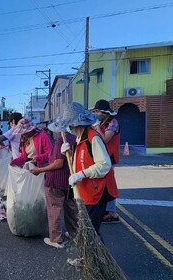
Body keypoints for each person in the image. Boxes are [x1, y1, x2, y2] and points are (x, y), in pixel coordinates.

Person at [58, 102, 119, 239]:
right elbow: (84, 158)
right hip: (87, 190)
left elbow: (104, 164)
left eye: (69, 124)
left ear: (74, 124)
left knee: (91, 232)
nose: (69, 128)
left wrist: (81, 174)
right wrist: (69, 151)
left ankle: (94, 260)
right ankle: (87, 259)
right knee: (86, 230)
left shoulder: (93, 137)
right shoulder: (79, 138)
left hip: (97, 191)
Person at [30, 122, 78, 248]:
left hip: (55, 181)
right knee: (71, 208)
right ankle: (74, 233)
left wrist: (39, 170)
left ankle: (56, 239)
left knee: (54, 209)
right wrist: (40, 158)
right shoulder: (75, 139)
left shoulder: (61, 141)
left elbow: (58, 163)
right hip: (70, 180)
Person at [91, 99, 121, 223]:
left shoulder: (113, 123)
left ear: (104, 112)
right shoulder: (103, 122)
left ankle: (112, 212)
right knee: (103, 184)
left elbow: (105, 139)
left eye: (98, 111)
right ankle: (107, 209)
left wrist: (97, 126)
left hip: (109, 158)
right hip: (102, 157)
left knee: (109, 185)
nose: (96, 113)